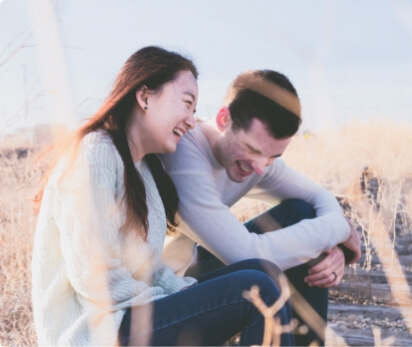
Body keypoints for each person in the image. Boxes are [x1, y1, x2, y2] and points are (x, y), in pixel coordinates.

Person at [32, 48, 295, 346]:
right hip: (95, 333)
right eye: (186, 104)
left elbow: (147, 267)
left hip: (129, 317)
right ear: (144, 97)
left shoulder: (143, 169)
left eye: (195, 111)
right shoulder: (95, 154)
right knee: (255, 290)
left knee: (263, 270)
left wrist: (183, 293)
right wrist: (172, 300)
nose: (192, 121)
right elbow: (95, 279)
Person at [160, 69, 362, 346]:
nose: (259, 167)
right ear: (223, 119)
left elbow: (319, 197)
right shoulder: (184, 154)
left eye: (273, 156)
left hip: (192, 270)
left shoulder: (258, 160)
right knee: (267, 271)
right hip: (162, 295)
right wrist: (337, 230)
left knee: (301, 213)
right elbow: (246, 253)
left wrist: (332, 246)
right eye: (253, 149)